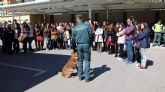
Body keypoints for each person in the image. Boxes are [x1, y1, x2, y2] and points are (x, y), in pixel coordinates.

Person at [72, 14, 92, 82]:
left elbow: (73, 39)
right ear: (82, 19)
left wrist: (73, 48)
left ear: (77, 19)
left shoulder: (75, 28)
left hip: (79, 45)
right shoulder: (87, 26)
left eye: (76, 19)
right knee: (87, 61)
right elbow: (91, 35)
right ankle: (87, 78)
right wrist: (91, 44)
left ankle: (80, 76)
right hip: (86, 44)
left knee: (80, 61)